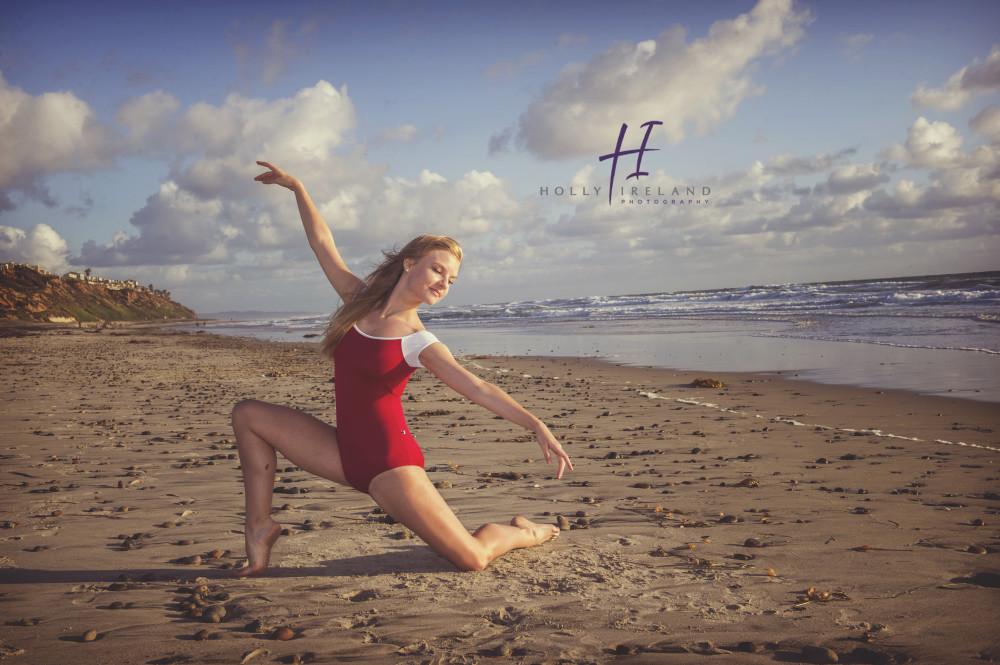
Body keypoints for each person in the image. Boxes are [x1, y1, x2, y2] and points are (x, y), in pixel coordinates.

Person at [231, 161, 573, 575]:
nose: (444, 282)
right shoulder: (358, 301)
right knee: (247, 415)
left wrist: (535, 424)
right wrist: (297, 187)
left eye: (452, 279)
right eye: (438, 269)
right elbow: (322, 244)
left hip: (390, 465)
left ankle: (524, 532)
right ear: (410, 264)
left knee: (473, 558)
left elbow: (477, 387)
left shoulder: (418, 340)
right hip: (341, 453)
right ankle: (260, 526)